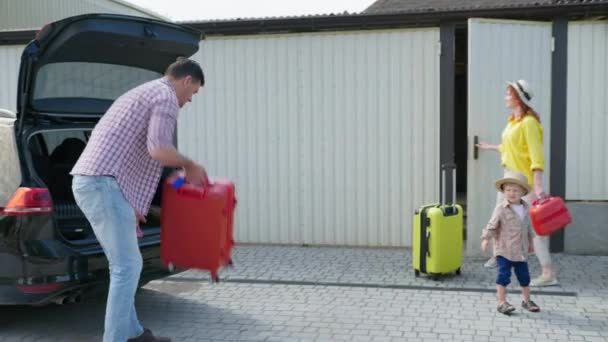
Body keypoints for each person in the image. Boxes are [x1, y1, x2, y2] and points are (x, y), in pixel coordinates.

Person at [71, 58, 207, 342]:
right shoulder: (166, 97)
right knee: (127, 267)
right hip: (102, 185)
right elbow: (158, 149)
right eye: (193, 93)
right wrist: (190, 165)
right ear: (186, 81)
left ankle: (133, 333)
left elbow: (127, 153)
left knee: (126, 266)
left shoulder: (142, 92)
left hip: (100, 183)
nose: (189, 100)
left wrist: (131, 202)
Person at [476, 79, 557, 287]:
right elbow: (510, 147)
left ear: (517, 97)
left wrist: (537, 186)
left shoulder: (530, 123)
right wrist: (491, 147)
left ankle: (548, 274)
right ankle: (499, 254)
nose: (505, 97)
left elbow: (536, 155)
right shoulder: (514, 121)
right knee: (500, 216)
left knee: (536, 229)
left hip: (523, 182)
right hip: (508, 179)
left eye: (507, 93)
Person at [481, 171, 541, 315]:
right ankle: (502, 302)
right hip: (504, 250)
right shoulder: (501, 208)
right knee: (503, 275)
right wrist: (486, 239)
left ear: (522, 192)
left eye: (515, 190)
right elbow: (492, 225)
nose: (511, 193)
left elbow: (528, 227)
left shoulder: (526, 208)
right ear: (503, 191)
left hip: (521, 251)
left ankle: (526, 300)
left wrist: (531, 243)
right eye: (508, 190)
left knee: (524, 277)